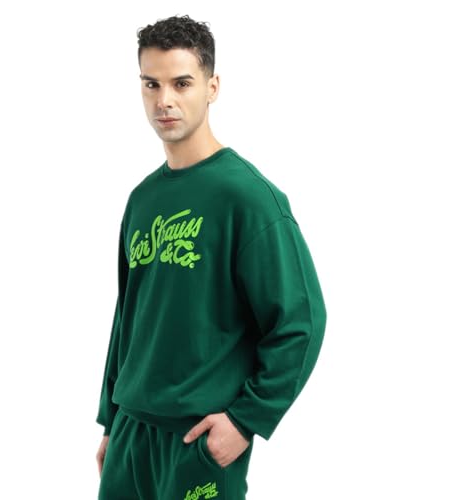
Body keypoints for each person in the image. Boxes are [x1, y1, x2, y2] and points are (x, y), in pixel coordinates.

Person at [95, 14, 327, 500]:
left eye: (181, 83)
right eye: (151, 84)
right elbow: (128, 319)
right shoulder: (142, 199)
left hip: (197, 440)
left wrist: (246, 420)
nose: (165, 100)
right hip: (131, 436)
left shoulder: (248, 198)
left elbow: (301, 321)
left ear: (212, 87)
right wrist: (111, 422)